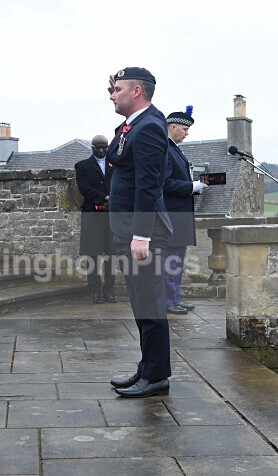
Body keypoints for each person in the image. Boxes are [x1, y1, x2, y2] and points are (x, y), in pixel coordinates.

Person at [105, 67, 173, 398]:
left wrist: (141, 235)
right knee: (139, 301)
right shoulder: (135, 125)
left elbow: (148, 184)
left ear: (137, 92)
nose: (111, 94)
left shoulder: (149, 128)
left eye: (117, 89)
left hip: (141, 231)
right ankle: (147, 368)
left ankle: (157, 375)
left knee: (150, 303)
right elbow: (118, 153)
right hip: (128, 229)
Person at [163, 107, 208, 314]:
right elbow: (166, 184)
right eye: (184, 129)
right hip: (172, 215)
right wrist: (192, 187)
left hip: (180, 215)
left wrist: (195, 187)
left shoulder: (175, 149)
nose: (187, 133)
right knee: (171, 260)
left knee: (177, 261)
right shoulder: (165, 149)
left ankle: (175, 298)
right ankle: (168, 301)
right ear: (172, 127)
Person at [75, 135, 117, 304]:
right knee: (93, 255)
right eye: (97, 147)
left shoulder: (116, 165)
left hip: (113, 216)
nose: (101, 151)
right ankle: (95, 292)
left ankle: (109, 291)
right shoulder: (82, 166)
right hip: (93, 215)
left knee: (112, 255)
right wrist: (105, 197)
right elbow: (84, 188)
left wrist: (114, 199)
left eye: (104, 147)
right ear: (91, 147)